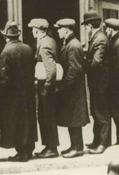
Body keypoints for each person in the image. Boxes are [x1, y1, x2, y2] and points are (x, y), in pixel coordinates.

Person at [0, 22, 37, 162]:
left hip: (12, 94)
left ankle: (21, 152)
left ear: (6, 37)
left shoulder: (6, 52)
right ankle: (29, 149)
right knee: (28, 119)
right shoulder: (28, 49)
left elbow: (4, 78)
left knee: (16, 121)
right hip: (28, 91)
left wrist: (0, 94)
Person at [54, 19, 89, 158]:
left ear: (67, 29)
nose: (58, 31)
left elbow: (74, 69)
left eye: (60, 28)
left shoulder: (73, 45)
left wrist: (65, 86)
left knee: (74, 118)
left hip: (73, 89)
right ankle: (74, 146)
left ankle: (77, 148)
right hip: (72, 89)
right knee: (71, 118)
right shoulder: (69, 43)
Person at [29, 18, 60, 158]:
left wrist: (47, 86)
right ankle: (49, 146)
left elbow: (51, 69)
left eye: (32, 29)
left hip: (46, 88)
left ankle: (51, 148)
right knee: (46, 117)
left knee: (46, 118)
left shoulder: (44, 45)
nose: (32, 31)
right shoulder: (49, 40)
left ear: (36, 30)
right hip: (48, 87)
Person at [82, 10, 111, 154]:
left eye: (86, 26)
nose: (86, 29)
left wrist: (84, 68)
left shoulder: (99, 39)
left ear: (89, 26)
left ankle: (104, 143)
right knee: (96, 112)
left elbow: (96, 62)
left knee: (101, 113)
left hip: (101, 83)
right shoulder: (96, 37)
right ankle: (97, 140)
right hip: (97, 83)